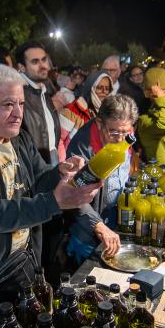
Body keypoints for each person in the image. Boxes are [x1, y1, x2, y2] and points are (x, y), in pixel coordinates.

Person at [0, 65, 99, 316]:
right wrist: (54, 202)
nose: (18, 113)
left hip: (26, 263)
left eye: (21, 104)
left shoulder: (19, 138)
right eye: (8, 105)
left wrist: (61, 172)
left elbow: (39, 179)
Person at [65, 94, 138, 265]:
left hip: (115, 216)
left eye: (125, 132)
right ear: (99, 123)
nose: (120, 139)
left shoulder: (124, 132)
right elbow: (73, 195)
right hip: (88, 226)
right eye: (113, 132)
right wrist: (98, 225)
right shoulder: (82, 148)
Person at [15, 40, 62, 165]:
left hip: (51, 159)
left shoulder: (43, 90)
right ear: (21, 67)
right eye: (35, 62)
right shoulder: (17, 95)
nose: (43, 66)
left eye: (44, 60)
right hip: (32, 166)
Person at [57, 71, 112, 154]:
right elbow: (59, 140)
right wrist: (63, 160)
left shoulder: (108, 113)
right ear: (91, 87)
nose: (104, 91)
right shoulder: (73, 110)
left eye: (107, 89)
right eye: (100, 88)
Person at [137, 67, 165, 164]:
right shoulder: (144, 119)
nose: (164, 97)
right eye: (159, 94)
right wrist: (161, 100)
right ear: (148, 94)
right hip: (160, 169)